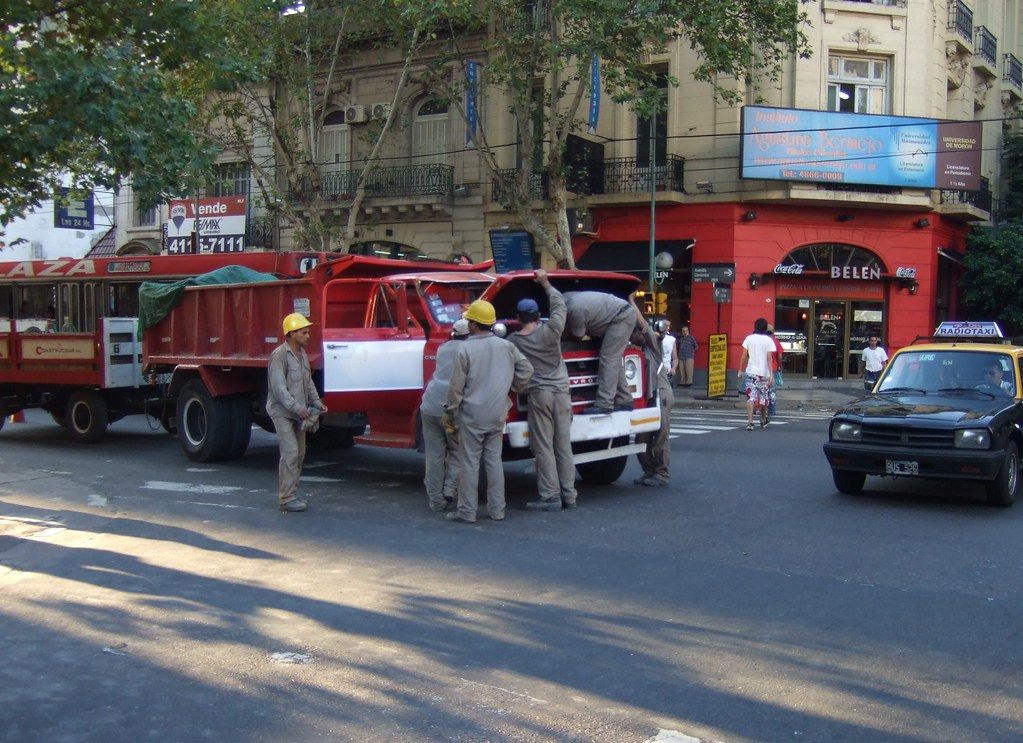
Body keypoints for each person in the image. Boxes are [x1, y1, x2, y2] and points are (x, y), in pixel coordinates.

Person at [444, 300, 533, 524]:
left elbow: (456, 388)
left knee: (470, 462)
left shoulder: (464, 348)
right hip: (497, 412)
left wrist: (450, 411)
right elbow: (527, 370)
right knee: (493, 461)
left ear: (473, 325)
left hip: (472, 414)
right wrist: (511, 389)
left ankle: (467, 511)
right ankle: (497, 510)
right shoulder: (506, 346)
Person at [509, 270, 578, 511]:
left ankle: (550, 496)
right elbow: (560, 306)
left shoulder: (515, 341)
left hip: (539, 395)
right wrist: (546, 284)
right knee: (563, 445)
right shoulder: (551, 332)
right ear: (538, 315)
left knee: (544, 447)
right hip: (561, 393)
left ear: (519, 318)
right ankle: (569, 494)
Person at [266, 312, 328, 512]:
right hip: (282, 412)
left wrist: (317, 403)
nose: (308, 336)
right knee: (291, 452)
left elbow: (308, 382)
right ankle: (286, 498)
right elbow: (279, 390)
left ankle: (292, 493)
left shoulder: (302, 355)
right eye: (304, 332)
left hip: (298, 412)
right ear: (292, 333)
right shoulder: (279, 355)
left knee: (299, 454)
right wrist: (298, 408)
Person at [419, 319, 470, 512]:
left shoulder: (443, 348)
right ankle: (450, 490)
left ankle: (435, 500)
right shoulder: (469, 351)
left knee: (434, 455)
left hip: (430, 404)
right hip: (452, 408)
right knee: (458, 451)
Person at [562, 290, 637, 414]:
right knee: (614, 360)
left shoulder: (574, 310)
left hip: (620, 318)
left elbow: (577, 336)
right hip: (622, 314)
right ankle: (624, 399)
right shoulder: (568, 298)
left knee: (609, 359)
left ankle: (605, 403)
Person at [630, 293, 674, 486]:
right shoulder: (636, 351)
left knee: (660, 436)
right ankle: (649, 470)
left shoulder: (653, 344)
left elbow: (643, 325)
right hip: (649, 396)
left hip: (661, 393)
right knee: (641, 439)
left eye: (637, 333)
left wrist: (630, 301)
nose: (635, 336)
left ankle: (661, 473)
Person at [737, 317, 777, 431]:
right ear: (765, 328)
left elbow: (744, 356)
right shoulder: (769, 340)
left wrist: (740, 370)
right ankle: (763, 419)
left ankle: (750, 422)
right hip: (764, 373)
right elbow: (769, 358)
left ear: (755, 327)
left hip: (751, 372)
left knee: (751, 397)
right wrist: (771, 374)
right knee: (764, 398)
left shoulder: (749, 338)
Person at [766, 323, 784, 421]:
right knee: (772, 390)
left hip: (762, 368)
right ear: (773, 331)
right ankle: (772, 410)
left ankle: (760, 408)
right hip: (772, 368)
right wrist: (779, 367)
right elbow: (780, 356)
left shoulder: (762, 340)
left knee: (761, 389)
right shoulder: (776, 341)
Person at [659, 319, 679, 384]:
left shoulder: (672, 340)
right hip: (657, 371)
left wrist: (673, 368)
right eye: (665, 325)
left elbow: (675, 358)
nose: (667, 327)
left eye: (668, 326)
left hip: (667, 372)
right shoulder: (655, 337)